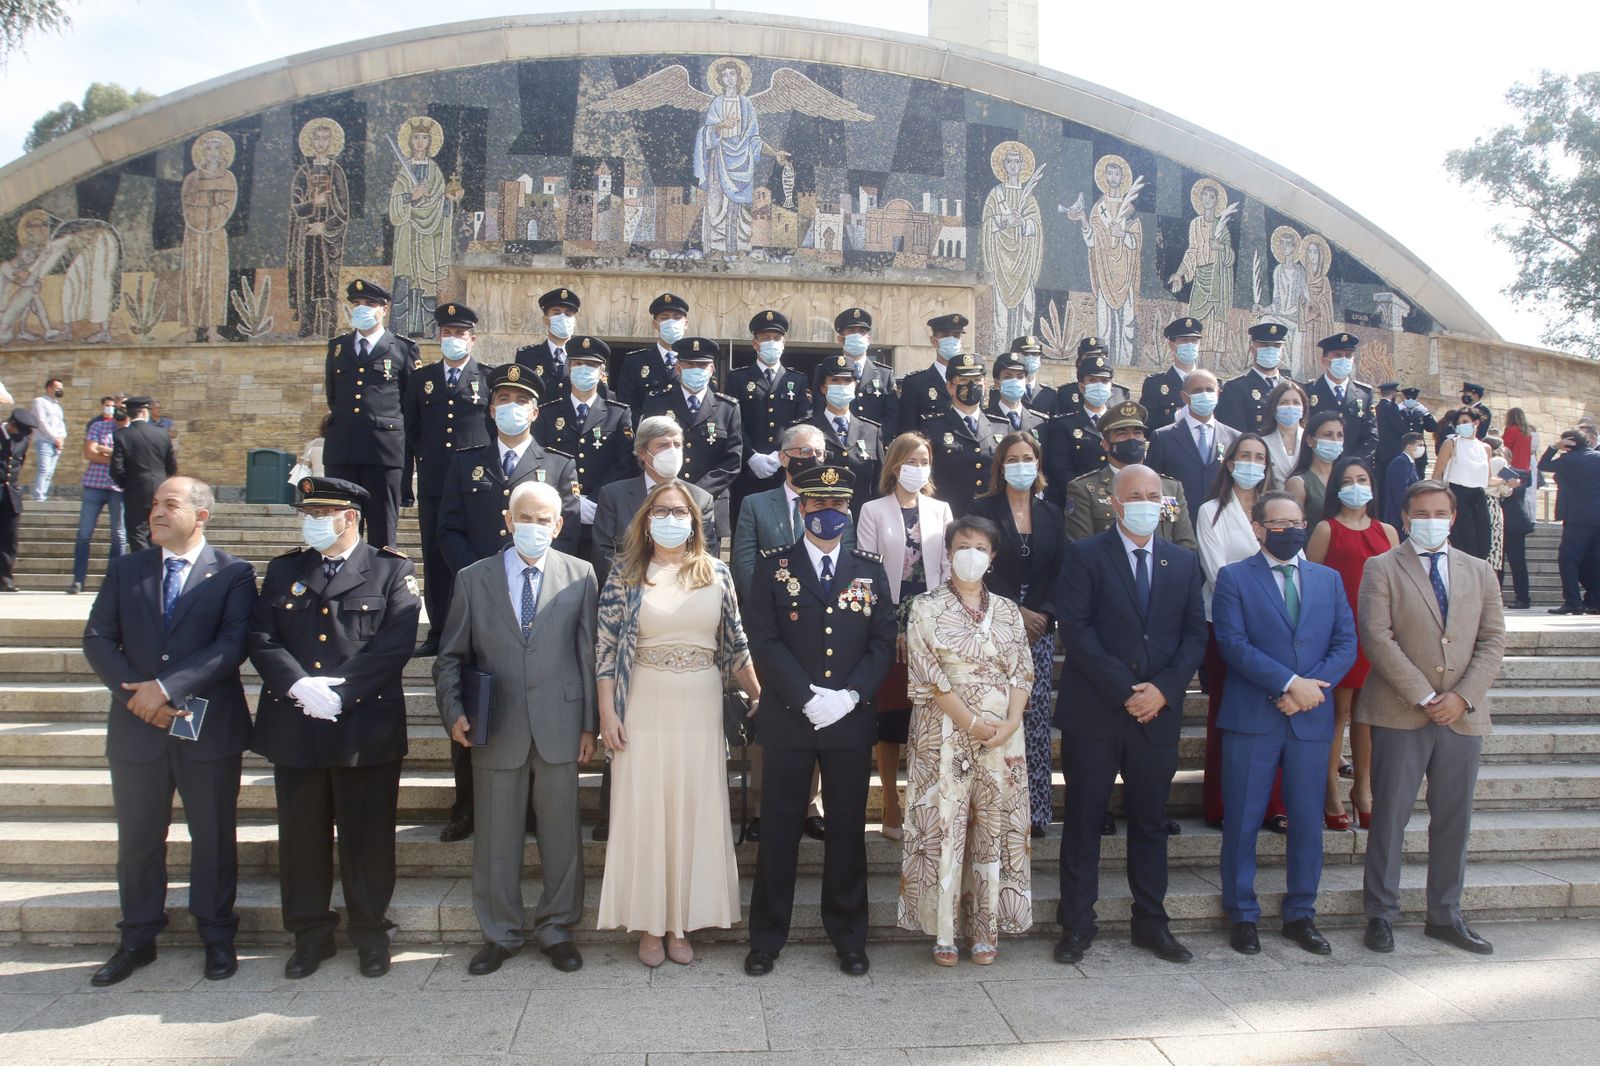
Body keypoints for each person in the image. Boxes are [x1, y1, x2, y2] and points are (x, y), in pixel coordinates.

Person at [81, 477, 257, 985]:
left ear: (201, 515)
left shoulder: (233, 573)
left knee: (214, 836)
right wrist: (137, 697)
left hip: (206, 727)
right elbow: (98, 638)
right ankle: (137, 936)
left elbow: (232, 644)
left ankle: (217, 935)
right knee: (137, 839)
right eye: (155, 503)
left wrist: (167, 688)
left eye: (169, 504)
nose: (156, 511)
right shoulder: (126, 569)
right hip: (137, 728)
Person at [249, 477, 421, 979]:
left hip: (363, 727)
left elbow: (394, 644)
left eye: (322, 513)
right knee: (301, 839)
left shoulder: (391, 570)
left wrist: (342, 694)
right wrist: (298, 685)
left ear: (350, 518)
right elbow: (260, 634)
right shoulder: (285, 570)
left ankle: (370, 933)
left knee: (367, 840)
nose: (312, 520)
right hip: (296, 723)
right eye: (309, 511)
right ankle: (310, 936)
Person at [433, 481, 597, 976]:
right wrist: (452, 709)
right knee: (495, 837)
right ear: (507, 521)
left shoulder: (581, 574)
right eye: (524, 518)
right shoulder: (472, 578)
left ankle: (557, 929)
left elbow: (589, 655)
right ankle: (499, 933)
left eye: (543, 519)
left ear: (559, 525)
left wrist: (590, 723)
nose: (534, 527)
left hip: (560, 723)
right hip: (495, 724)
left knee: (562, 835)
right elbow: (450, 657)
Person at [596, 480, 760, 967]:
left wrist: (759, 694)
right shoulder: (625, 574)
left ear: (696, 521)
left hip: (700, 704)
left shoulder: (718, 574)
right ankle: (650, 924)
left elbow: (737, 645)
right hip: (643, 702)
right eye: (661, 511)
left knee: (694, 808)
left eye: (680, 511)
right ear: (646, 520)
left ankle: (681, 922)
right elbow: (604, 651)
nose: (671, 518)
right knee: (646, 810)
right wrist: (607, 712)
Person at [1053, 465, 1208, 966]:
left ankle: (1152, 924)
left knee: (1149, 822)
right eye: (1134, 495)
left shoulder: (1183, 562)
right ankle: (1077, 925)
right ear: (1116, 504)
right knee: (1082, 822)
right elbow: (1076, 631)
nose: (1145, 502)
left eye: (1153, 495)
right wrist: (1126, 691)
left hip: (1156, 716)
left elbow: (1194, 636)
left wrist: (1162, 691)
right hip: (1096, 713)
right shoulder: (1084, 555)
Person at [744, 463, 895, 977]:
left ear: (847, 509)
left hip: (850, 721)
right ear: (802, 507)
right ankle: (766, 937)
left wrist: (850, 695)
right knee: (780, 828)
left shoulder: (869, 568)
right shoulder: (772, 565)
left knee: (849, 830)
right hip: (789, 717)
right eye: (817, 504)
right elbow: (762, 639)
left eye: (836, 505)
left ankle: (850, 936)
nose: (827, 513)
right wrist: (807, 696)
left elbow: (881, 641)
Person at [1358, 480, 1506, 956]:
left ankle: (1445, 915)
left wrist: (1461, 697)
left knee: (1453, 819)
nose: (1430, 520)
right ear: (1404, 518)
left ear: (1453, 517)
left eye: (1438, 512)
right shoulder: (1381, 567)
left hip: (1462, 716)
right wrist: (1425, 694)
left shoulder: (1480, 571)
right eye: (1420, 512)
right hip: (1401, 711)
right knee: (1390, 818)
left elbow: (1493, 641)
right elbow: (1377, 638)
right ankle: (1380, 913)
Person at [434, 363, 579, 841]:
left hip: (539, 597)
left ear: (535, 411)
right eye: (502, 401)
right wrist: (481, 578)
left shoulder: (557, 464)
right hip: (483, 600)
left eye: (520, 401)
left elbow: (570, 530)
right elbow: (447, 528)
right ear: (491, 408)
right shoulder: (464, 460)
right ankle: (466, 806)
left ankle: (534, 810)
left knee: (532, 708)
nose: (510, 408)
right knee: (476, 694)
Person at [1211, 490, 1356, 956]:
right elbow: (1232, 644)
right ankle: (1242, 913)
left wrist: (1310, 690)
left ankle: (1301, 913)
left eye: (1297, 522)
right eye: (1278, 523)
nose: (1290, 530)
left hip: (1310, 719)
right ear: (1258, 528)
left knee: (1308, 821)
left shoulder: (1328, 580)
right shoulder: (1234, 578)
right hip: (1254, 717)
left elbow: (1345, 643)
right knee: (1244, 821)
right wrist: (1290, 684)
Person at [897, 513, 1033, 964]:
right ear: (948, 553)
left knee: (992, 826)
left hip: (1002, 736)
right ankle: (943, 932)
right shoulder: (926, 607)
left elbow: (1022, 671)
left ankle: (986, 928)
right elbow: (929, 675)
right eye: (962, 546)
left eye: (980, 547)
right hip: (944, 728)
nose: (970, 555)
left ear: (992, 557)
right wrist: (971, 722)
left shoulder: (1009, 611)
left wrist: (1011, 722)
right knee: (944, 825)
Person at [729, 422, 842, 841]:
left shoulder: (835, 504)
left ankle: (811, 805)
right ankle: (763, 807)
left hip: (821, 630)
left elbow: (842, 561)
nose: (810, 457)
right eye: (801, 450)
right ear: (783, 457)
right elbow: (743, 563)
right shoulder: (758, 505)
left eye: (817, 451)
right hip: (771, 630)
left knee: (817, 712)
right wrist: (772, 608)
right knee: (771, 715)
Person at [856, 433, 953, 840]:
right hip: (887, 624)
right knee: (890, 717)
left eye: (925, 458)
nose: (918, 466)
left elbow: (949, 567)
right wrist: (893, 627)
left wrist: (929, 624)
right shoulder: (872, 511)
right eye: (911, 459)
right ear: (895, 465)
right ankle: (891, 807)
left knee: (926, 717)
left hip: (930, 622)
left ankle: (922, 803)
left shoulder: (941, 509)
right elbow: (867, 570)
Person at [970, 433, 1065, 837]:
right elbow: (978, 564)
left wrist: (1042, 614)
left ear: (1038, 464)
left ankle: (1035, 810)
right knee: (994, 711)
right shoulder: (983, 510)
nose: (1021, 464)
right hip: (993, 618)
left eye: (1028, 457)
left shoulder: (1052, 513)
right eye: (1013, 458)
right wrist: (1016, 611)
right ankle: (992, 806)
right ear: (1001, 466)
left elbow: (1061, 569)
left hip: (1039, 628)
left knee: (1034, 717)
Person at [1196, 433, 1285, 832]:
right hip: (1227, 626)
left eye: (1259, 457)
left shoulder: (1278, 511)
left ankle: (1274, 804)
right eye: (1244, 455)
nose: (1251, 462)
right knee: (1227, 714)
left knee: (1271, 712)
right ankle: (1222, 803)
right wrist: (1258, 606)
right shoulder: (1211, 511)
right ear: (1230, 462)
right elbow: (1218, 574)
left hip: (1275, 629)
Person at [1306, 456, 1399, 830]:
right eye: (1348, 480)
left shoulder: (1387, 531)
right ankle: (1330, 789)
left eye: (1362, 479)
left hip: (1378, 634)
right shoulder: (1326, 529)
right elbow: (1311, 584)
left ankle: (1364, 788)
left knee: (1367, 716)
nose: (1356, 486)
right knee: (1339, 714)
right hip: (1339, 634)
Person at [403, 302, 494, 657]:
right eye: (447, 333)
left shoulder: (488, 378)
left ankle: (476, 630)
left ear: (472, 340)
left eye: (460, 334)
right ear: (438, 336)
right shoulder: (420, 380)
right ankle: (438, 632)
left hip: (474, 485)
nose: (452, 339)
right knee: (436, 558)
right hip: (435, 484)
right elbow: (412, 430)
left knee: (473, 559)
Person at [322, 279, 421, 550]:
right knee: (339, 523)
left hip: (383, 451)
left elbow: (409, 403)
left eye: (369, 304)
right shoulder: (339, 348)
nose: (362, 309)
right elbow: (334, 396)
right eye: (356, 304)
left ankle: (382, 586)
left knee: (382, 528)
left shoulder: (402, 348)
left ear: (384, 309)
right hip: (342, 449)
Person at [533, 336, 637, 562]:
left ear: (602, 372)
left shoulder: (618, 414)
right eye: (578, 363)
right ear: (569, 368)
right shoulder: (548, 413)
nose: (584, 369)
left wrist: (596, 499)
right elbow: (539, 460)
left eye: (591, 365)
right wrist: (571, 500)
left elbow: (624, 463)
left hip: (602, 513)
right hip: (557, 513)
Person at [592, 416, 718, 591]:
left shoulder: (700, 499)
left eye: (677, 445)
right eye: (663, 445)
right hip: (629, 590)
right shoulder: (614, 495)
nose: (672, 451)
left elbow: (706, 552)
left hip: (683, 592)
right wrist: (634, 585)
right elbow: (603, 552)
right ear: (643, 453)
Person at [639, 336, 744, 540]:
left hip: (709, 503)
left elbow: (732, 461)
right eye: (690, 364)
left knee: (704, 568)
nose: (697, 369)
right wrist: (670, 491)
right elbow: (646, 451)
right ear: (678, 368)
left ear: (712, 369)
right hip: (663, 502)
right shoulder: (657, 402)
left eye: (702, 365)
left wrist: (696, 493)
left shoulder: (727, 408)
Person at [1063, 402, 1198, 556]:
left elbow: (1186, 546)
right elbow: (1081, 550)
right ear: (1106, 444)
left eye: (1137, 433)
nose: (1132, 439)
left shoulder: (1171, 488)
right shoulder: (1085, 489)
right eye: (1122, 434)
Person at [728, 309, 813, 534]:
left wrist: (779, 455)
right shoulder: (737, 378)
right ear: (755, 343)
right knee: (746, 533)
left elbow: (802, 422)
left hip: (784, 470)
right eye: (766, 338)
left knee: (784, 532)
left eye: (776, 338)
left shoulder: (798, 380)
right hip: (747, 472)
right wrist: (751, 456)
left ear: (784, 343)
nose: (771, 343)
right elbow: (733, 423)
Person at [1146, 367, 1238, 523]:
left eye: (1209, 389)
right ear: (1184, 397)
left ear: (1218, 394)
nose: (1204, 394)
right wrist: (1172, 524)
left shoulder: (1234, 438)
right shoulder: (1163, 437)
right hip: (1180, 524)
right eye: (1197, 391)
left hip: (1222, 523)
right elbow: (1157, 486)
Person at [925, 352, 1009, 517]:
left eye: (977, 380)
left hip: (992, 518)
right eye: (963, 380)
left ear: (985, 384)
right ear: (949, 386)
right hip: (951, 517)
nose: (972, 386)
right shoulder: (932, 427)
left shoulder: (1002, 427)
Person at [805, 354, 884, 516]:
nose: (842, 385)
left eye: (847, 381)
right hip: (820, 518)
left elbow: (880, 484)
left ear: (855, 385)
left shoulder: (871, 431)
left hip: (862, 520)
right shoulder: (807, 429)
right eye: (835, 380)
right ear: (823, 387)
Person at [1041, 351, 1121, 498]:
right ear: (1082, 387)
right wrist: (1089, 495)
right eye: (1093, 380)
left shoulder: (1120, 423)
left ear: (1111, 386)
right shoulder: (1064, 425)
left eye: (1104, 381)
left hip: (1116, 498)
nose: (1099, 385)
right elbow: (1060, 469)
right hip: (1078, 500)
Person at [69, 396, 128, 594]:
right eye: (115, 406)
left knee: (118, 535)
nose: (117, 410)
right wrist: (116, 456)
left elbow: (130, 457)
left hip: (118, 487)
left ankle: (113, 582)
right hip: (94, 484)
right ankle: (78, 580)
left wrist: (106, 451)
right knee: (84, 534)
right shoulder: (98, 426)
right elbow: (90, 453)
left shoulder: (131, 431)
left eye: (121, 407)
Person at [1540, 429, 1600, 614]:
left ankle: (1573, 601)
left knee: (1568, 559)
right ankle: (1595, 601)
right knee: (1595, 560)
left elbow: (1543, 464)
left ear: (1568, 443)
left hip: (1578, 517)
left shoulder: (1569, 460)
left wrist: (1553, 447)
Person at [110, 397, 177, 554]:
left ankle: (142, 569)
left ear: (129, 414)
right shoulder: (161, 434)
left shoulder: (122, 435)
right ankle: (158, 567)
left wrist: (126, 484)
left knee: (137, 531)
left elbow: (116, 469)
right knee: (159, 528)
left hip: (135, 489)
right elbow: (172, 466)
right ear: (144, 412)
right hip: (160, 488)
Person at [1303, 333, 1376, 462]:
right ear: (1324, 360)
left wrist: (1352, 463)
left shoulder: (1364, 394)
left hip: (1351, 469)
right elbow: (1303, 432)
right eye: (1338, 355)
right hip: (1317, 465)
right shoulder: (1308, 391)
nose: (1344, 359)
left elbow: (1371, 436)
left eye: (1348, 356)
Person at [1434, 407, 1494, 560]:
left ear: (1476, 423)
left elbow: (1488, 479)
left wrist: (1508, 482)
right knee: (1464, 542)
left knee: (1484, 541)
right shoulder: (1451, 443)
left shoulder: (1485, 448)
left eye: (1465, 422)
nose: (1462, 425)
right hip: (1457, 495)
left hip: (1478, 496)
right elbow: (1436, 475)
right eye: (1458, 423)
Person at [895, 313, 969, 437]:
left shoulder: (971, 380)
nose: (952, 340)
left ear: (961, 342)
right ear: (934, 341)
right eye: (946, 335)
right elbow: (907, 431)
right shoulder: (916, 383)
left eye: (956, 336)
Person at [616, 292, 690, 412]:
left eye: (677, 317)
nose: (671, 322)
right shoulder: (635, 361)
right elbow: (627, 403)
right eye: (664, 318)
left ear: (685, 323)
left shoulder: (698, 362)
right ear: (655, 324)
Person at [1216, 321, 1291, 434]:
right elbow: (1232, 433)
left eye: (1276, 346)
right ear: (1252, 349)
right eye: (1265, 345)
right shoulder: (1236, 388)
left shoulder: (1292, 388)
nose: (1271, 350)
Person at [833, 307, 898, 430]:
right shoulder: (829, 371)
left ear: (868, 339)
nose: (857, 335)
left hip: (874, 445)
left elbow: (892, 416)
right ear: (841, 339)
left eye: (862, 331)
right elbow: (820, 411)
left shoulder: (885, 374)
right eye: (851, 331)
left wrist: (874, 442)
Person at [513, 286, 585, 397]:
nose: (563, 317)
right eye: (556, 313)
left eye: (568, 314)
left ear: (574, 320)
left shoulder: (584, 356)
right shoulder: (527, 357)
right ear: (546, 319)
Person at [1139, 317, 1205, 431]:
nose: (1190, 345)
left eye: (1194, 340)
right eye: (1184, 340)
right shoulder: (1155, 384)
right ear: (1171, 344)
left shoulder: (1211, 384)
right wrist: (1177, 416)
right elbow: (1147, 426)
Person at [1285, 410, 1344, 529]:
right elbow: (1293, 526)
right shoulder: (1299, 483)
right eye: (1328, 435)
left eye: (1340, 435)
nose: (1335, 440)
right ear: (1310, 440)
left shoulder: (1347, 477)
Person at [1047, 336, 1129, 417]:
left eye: (1099, 355)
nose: (1095, 360)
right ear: (1079, 362)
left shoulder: (1120, 393)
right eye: (1089, 356)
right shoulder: (1066, 393)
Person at [0, 408, 36, 591]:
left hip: (11, 493)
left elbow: (18, 464)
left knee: (9, 536)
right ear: (11, 424)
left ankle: (5, 577)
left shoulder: (23, 439)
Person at [986, 352, 1047, 438]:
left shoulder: (1039, 422)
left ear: (1025, 381)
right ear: (997, 383)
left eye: (1020, 377)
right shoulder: (984, 420)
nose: (1015, 381)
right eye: (1008, 377)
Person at [1263, 380, 1309, 484]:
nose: (1290, 407)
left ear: (1303, 408)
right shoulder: (1263, 443)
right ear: (1274, 409)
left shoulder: (1311, 441)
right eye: (1283, 403)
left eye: (1296, 402)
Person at [30, 375, 66, 502]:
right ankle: (38, 496)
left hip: (57, 442)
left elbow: (61, 423)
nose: (60, 390)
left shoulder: (57, 405)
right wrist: (54, 437)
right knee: (44, 468)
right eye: (57, 387)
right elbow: (41, 421)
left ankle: (43, 494)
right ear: (49, 388)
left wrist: (61, 437)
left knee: (50, 471)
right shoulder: (39, 401)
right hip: (44, 440)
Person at [1382, 433, 1425, 532]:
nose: (1422, 448)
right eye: (1419, 445)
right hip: (1398, 519)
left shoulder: (1410, 463)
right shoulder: (1401, 462)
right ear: (1409, 446)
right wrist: (1405, 517)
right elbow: (1400, 493)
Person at [1399, 388, 1439, 478]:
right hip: (1403, 451)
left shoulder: (1420, 413)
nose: (1411, 400)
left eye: (1413, 398)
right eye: (1408, 398)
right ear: (1403, 398)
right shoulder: (1399, 412)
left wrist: (1426, 413)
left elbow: (1433, 428)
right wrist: (1395, 411)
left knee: (1419, 480)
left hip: (1419, 454)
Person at [1011, 334, 1056, 413]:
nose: (1031, 357)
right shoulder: (1004, 391)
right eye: (1025, 354)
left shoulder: (1050, 394)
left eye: (1035, 354)